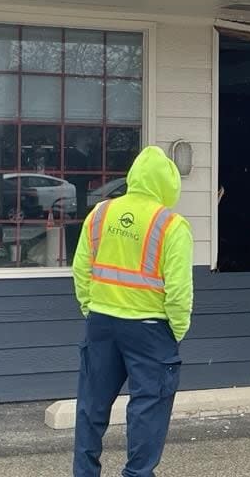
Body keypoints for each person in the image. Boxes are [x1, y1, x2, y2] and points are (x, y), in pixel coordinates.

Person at [71, 146, 194, 477]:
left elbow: (80, 269)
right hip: (151, 330)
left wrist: (91, 308)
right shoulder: (171, 225)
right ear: (168, 184)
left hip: (100, 323)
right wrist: (175, 332)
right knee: (147, 410)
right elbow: (180, 290)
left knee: (91, 408)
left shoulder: (99, 214)